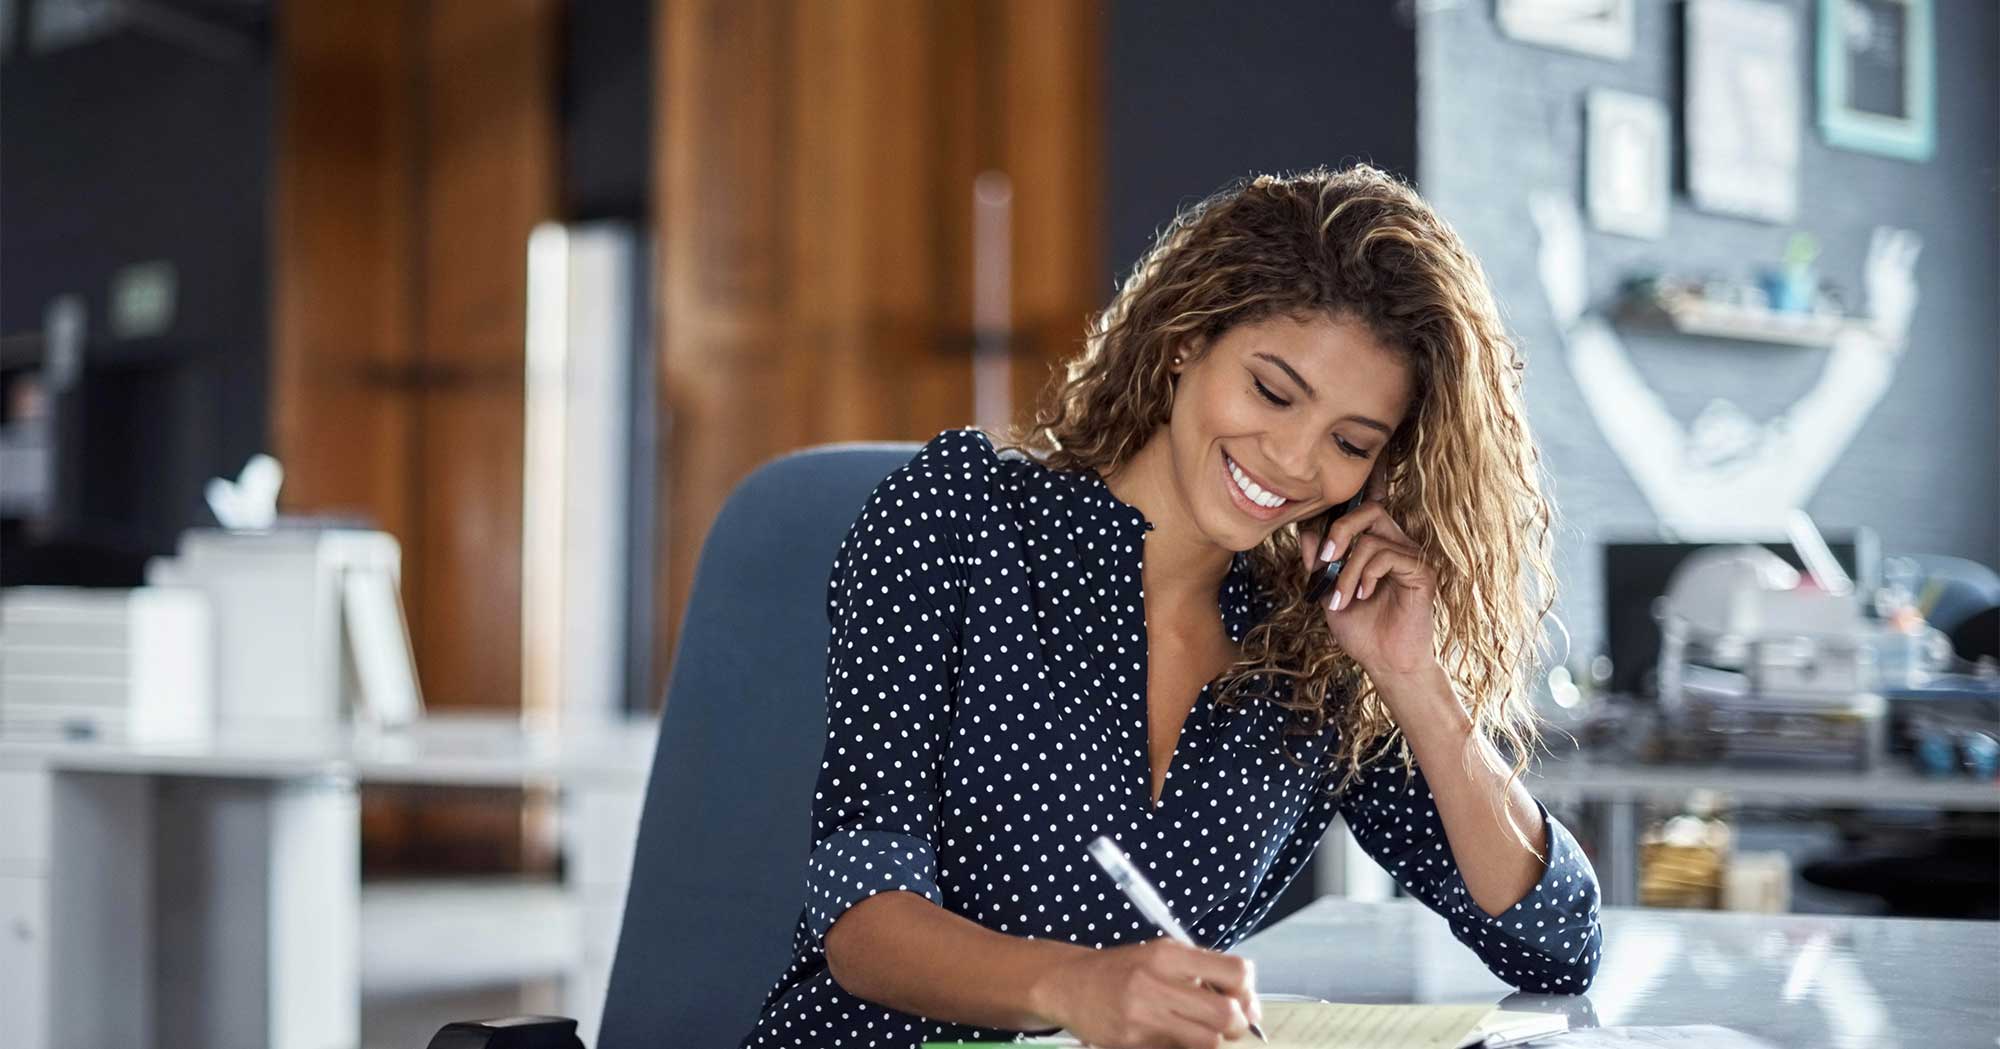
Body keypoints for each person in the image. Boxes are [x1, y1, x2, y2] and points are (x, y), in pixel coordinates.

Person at [740, 165, 1603, 1049]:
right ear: (1187, 340)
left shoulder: (1309, 650)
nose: (1295, 461)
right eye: (1272, 390)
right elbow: (860, 920)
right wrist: (1077, 987)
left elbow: (1555, 942)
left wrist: (1416, 680)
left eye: (1350, 442)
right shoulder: (958, 518)